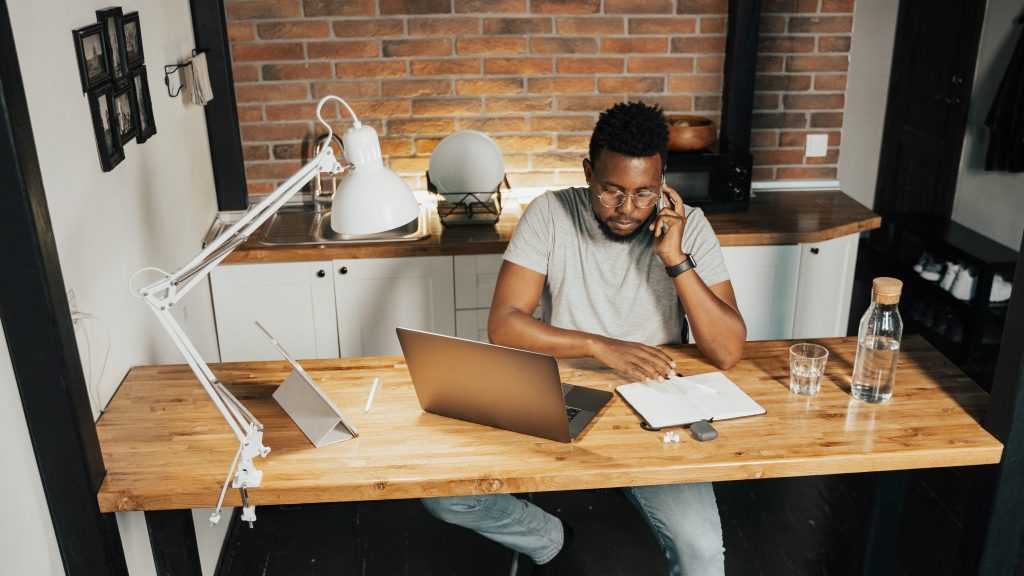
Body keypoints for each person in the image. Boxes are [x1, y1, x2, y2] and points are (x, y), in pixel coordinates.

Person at [421, 101, 746, 575]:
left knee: (702, 557)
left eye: (643, 193)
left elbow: (728, 349)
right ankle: (546, 537)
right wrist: (600, 345)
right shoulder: (550, 213)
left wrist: (675, 257)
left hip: (657, 397)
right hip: (558, 387)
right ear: (588, 171)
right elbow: (505, 324)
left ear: (662, 181)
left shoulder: (688, 225)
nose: (627, 209)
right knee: (444, 497)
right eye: (611, 190)